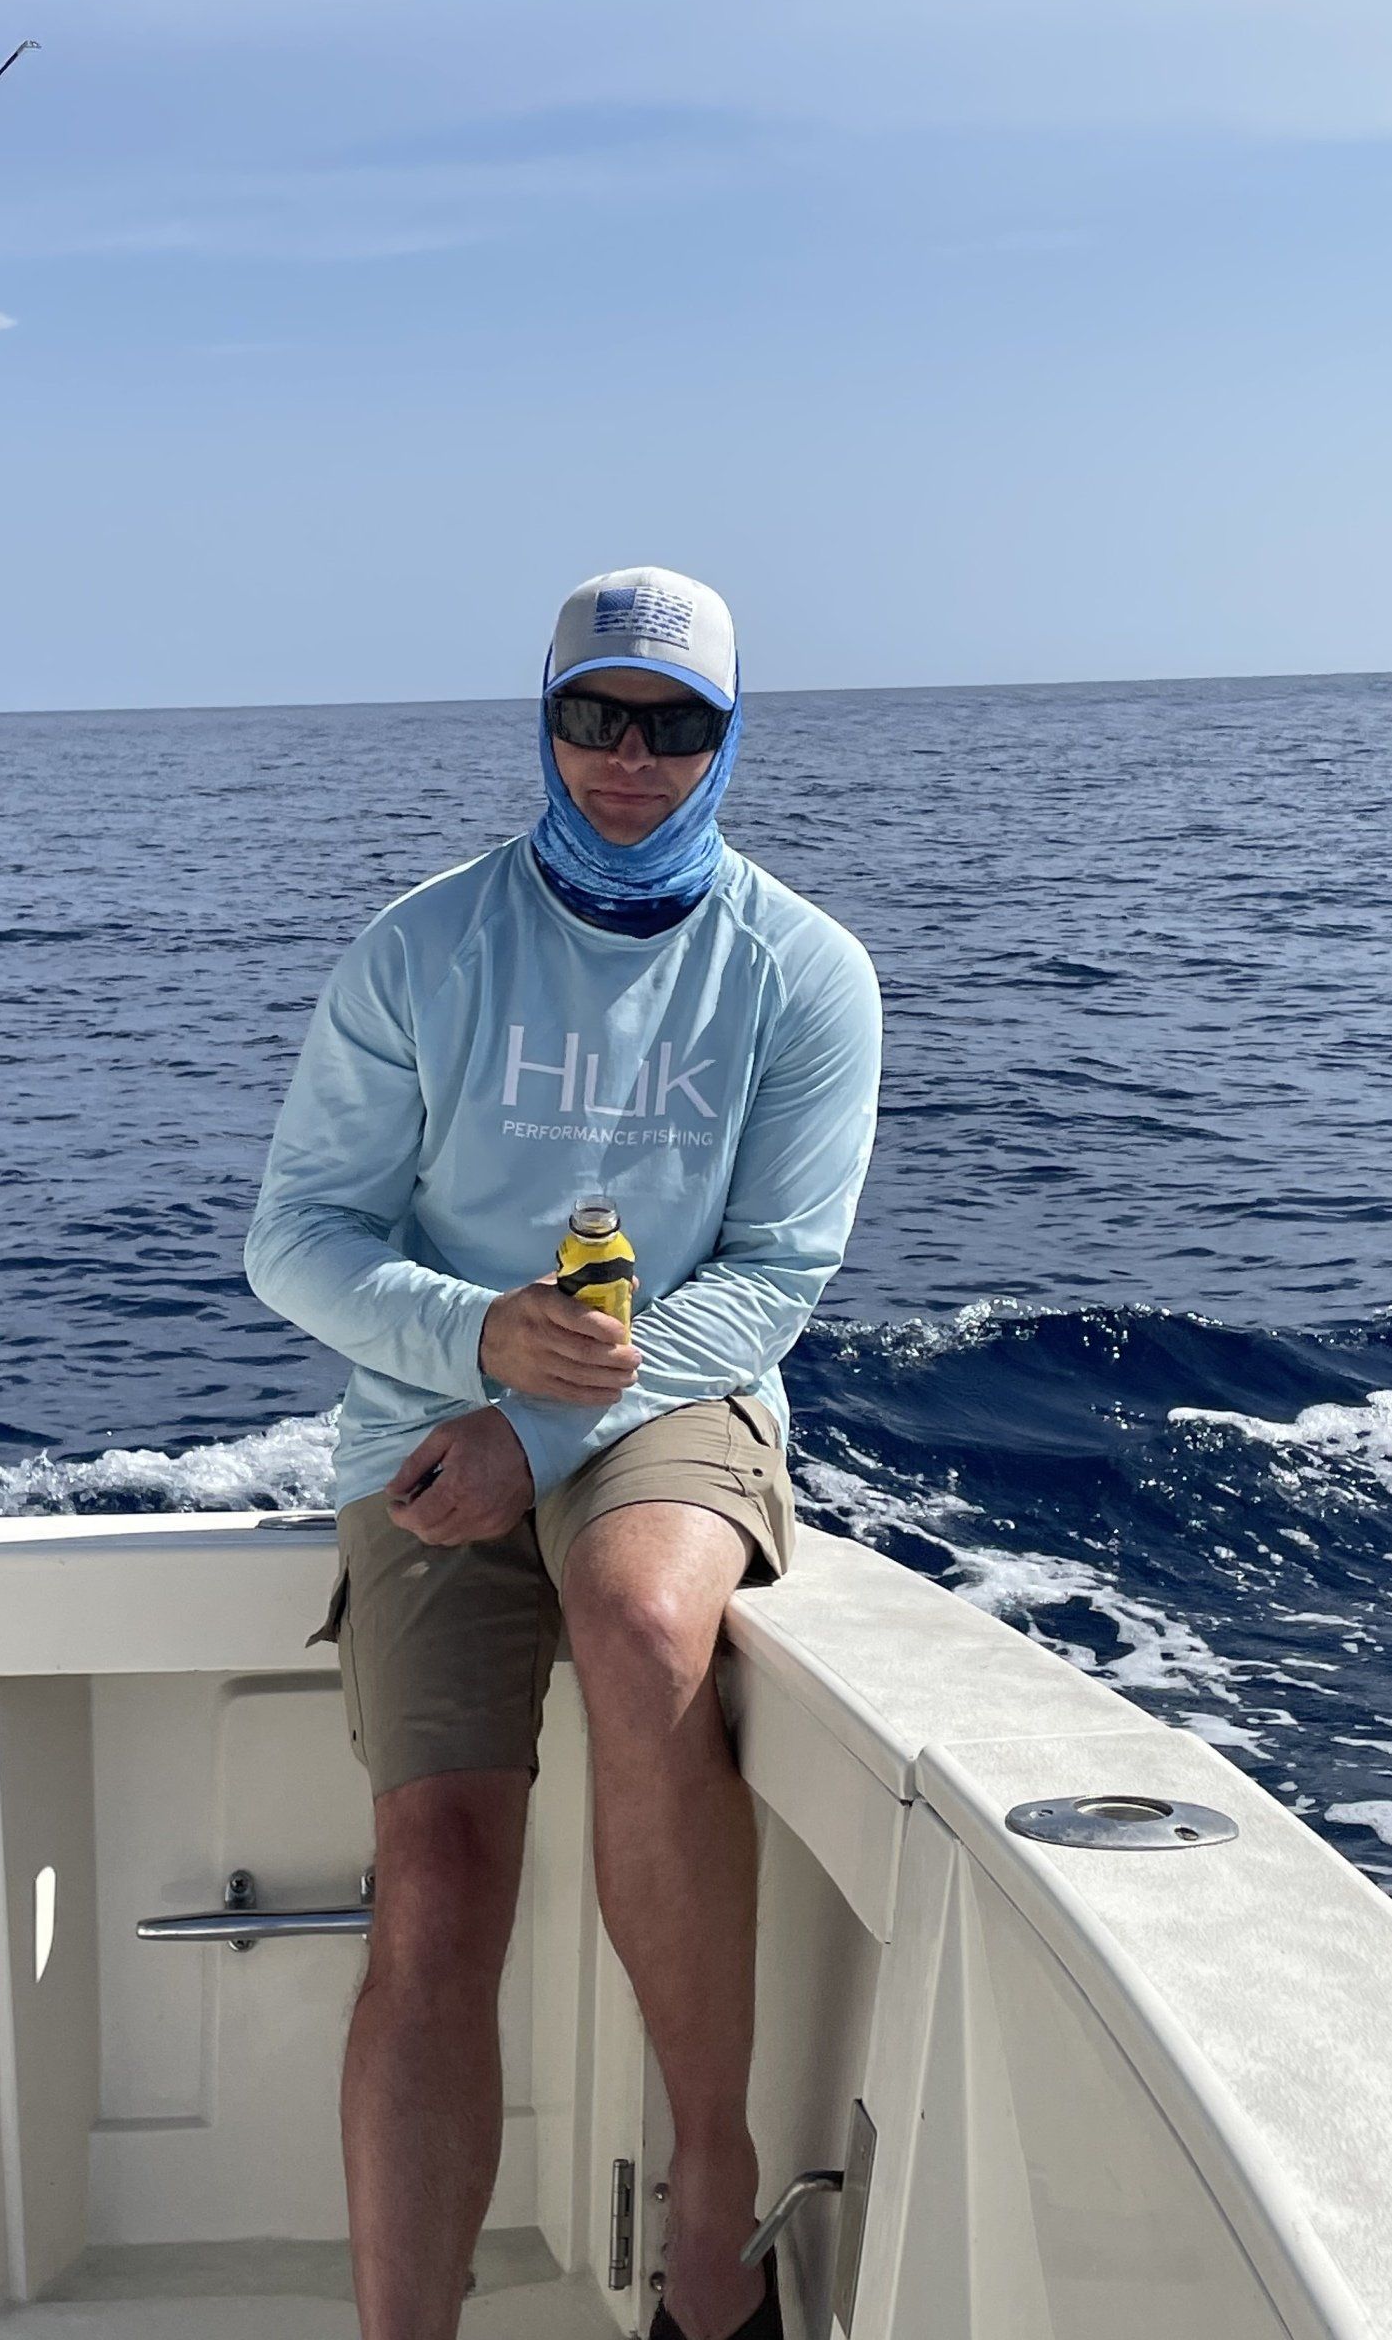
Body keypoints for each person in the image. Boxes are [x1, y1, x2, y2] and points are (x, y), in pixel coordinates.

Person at [245, 565, 882, 2340]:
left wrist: (542, 1420)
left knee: (643, 1621)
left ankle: (713, 2192)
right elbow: (295, 1238)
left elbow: (778, 1273)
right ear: (541, 717)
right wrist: (470, 1341)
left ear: (729, 739)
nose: (628, 755)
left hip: (672, 1390)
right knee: (438, 1871)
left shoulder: (803, 971)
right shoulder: (422, 946)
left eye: (675, 724)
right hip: (431, 1415)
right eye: (592, 714)